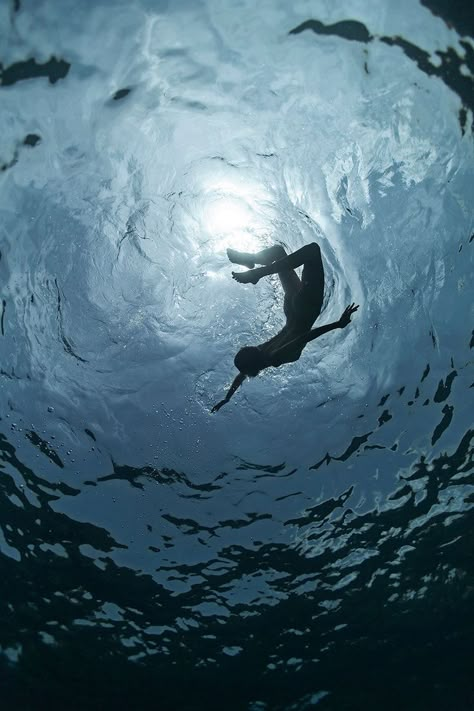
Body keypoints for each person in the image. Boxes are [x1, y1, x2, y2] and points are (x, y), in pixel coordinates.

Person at [211, 242, 358, 412]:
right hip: (295, 309)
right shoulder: (274, 356)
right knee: (283, 252)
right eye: (247, 349)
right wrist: (337, 324)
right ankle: (254, 265)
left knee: (307, 252)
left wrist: (227, 398)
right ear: (252, 357)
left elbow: (241, 376)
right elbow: (305, 338)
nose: (250, 345)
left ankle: (253, 266)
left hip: (304, 311)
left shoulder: (262, 356)